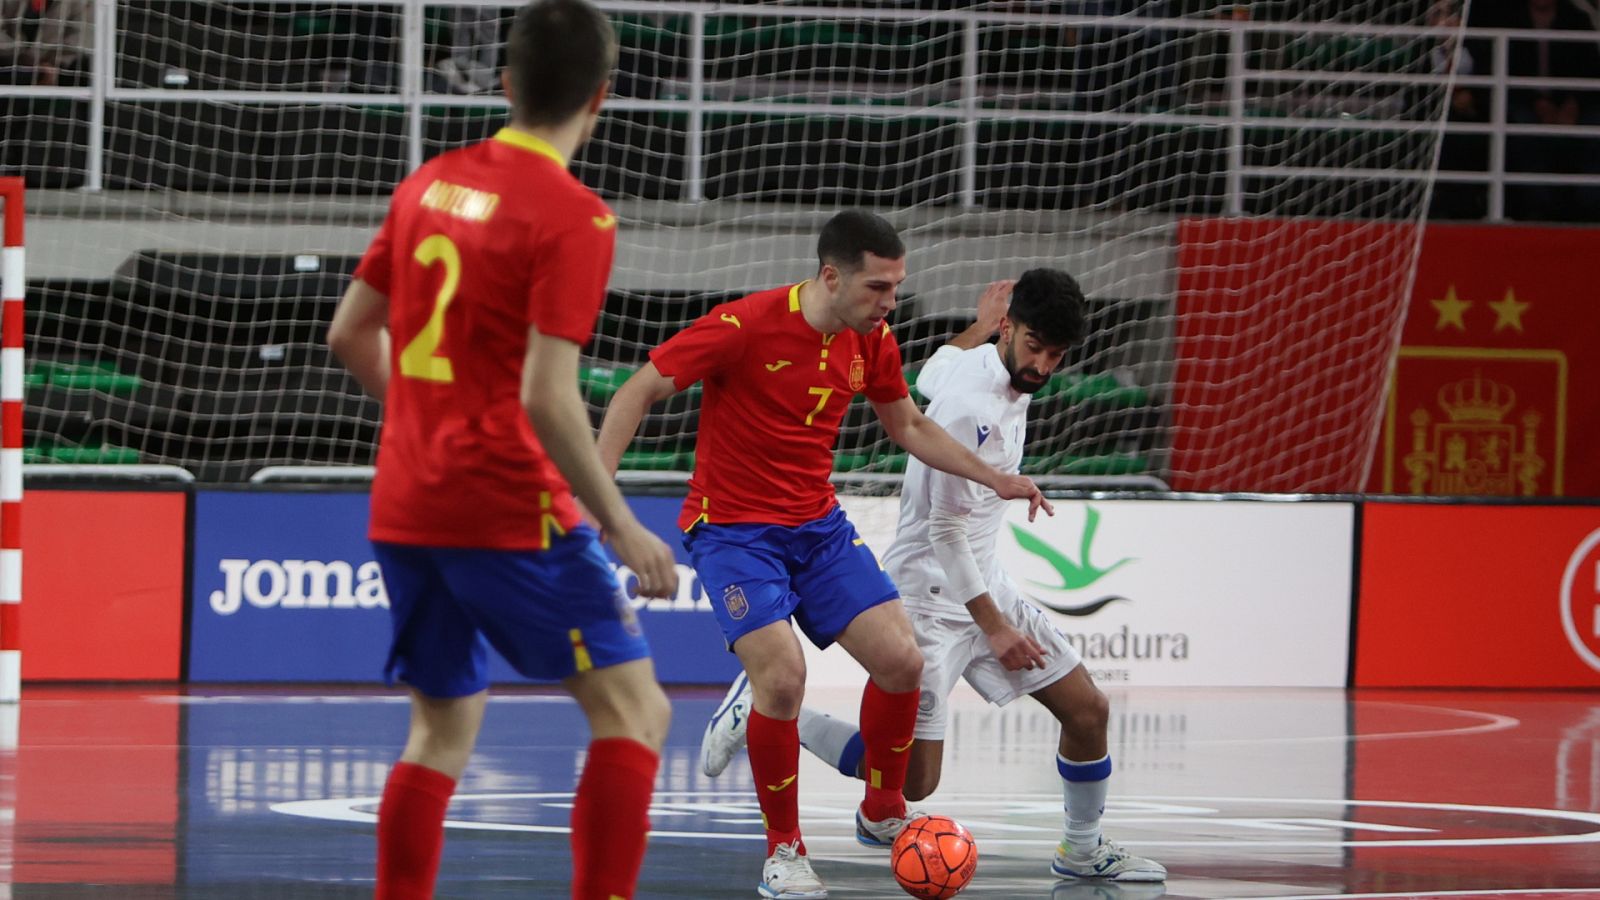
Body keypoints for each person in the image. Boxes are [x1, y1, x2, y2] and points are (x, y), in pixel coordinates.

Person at [325, 2, 678, 898]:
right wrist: (622, 524)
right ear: (602, 97)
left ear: (505, 82)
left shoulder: (427, 183)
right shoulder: (573, 217)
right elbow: (546, 394)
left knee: (440, 731)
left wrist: (428, 419)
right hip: (504, 505)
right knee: (636, 714)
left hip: (406, 499)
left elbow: (348, 335)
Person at [595, 211, 1052, 900]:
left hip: (817, 526)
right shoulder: (744, 326)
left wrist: (995, 477)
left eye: (897, 288)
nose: (890, 303)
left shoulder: (873, 341)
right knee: (782, 677)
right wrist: (607, 507)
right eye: (877, 288)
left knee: (904, 661)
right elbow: (636, 391)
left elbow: (909, 425)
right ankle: (783, 852)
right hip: (733, 532)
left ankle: (881, 811)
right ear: (831, 276)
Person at [699, 270, 1167, 885]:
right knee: (910, 782)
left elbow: (930, 369)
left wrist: (978, 325)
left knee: (1088, 711)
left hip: (984, 582)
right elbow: (946, 534)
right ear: (1011, 328)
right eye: (1035, 347)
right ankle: (771, 710)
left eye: (1056, 355)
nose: (1045, 366)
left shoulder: (979, 362)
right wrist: (996, 630)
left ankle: (1082, 848)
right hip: (930, 595)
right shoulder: (971, 407)